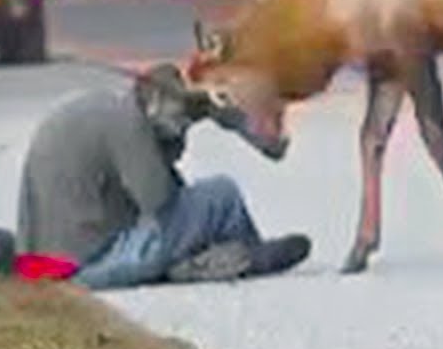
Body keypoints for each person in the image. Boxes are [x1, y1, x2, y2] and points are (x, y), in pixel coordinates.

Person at [16, 63, 311, 290]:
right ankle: (249, 257)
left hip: (43, 266)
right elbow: (161, 201)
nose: (182, 126)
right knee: (221, 194)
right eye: (179, 118)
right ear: (153, 102)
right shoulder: (129, 124)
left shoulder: (105, 111)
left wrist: (210, 114)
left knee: (184, 216)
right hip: (89, 267)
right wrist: (170, 145)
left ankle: (207, 261)